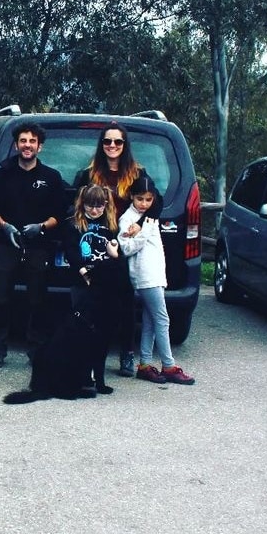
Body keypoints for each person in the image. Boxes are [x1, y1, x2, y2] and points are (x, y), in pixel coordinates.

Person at [73, 123, 160, 377]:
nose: (112, 146)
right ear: (101, 145)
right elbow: (75, 205)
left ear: (125, 145)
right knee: (90, 302)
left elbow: (157, 203)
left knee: (124, 304)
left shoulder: (137, 173)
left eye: (118, 142)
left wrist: (139, 224)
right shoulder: (88, 174)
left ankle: (126, 353)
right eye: (107, 142)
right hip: (96, 244)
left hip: (123, 247)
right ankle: (84, 353)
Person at [0, 123, 68, 368]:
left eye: (32, 141)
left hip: (38, 245)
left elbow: (59, 215)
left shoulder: (51, 177)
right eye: (23, 141)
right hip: (7, 243)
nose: (27, 145)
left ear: (39, 146)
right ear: (16, 144)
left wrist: (41, 227)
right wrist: (4, 226)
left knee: (37, 300)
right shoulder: (2, 174)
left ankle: (36, 349)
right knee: (0, 297)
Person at [117, 175, 195, 385]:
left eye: (148, 200)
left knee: (151, 321)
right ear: (132, 196)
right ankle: (168, 365)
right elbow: (125, 248)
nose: (144, 204)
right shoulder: (127, 219)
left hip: (156, 274)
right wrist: (143, 232)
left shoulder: (149, 216)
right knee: (162, 319)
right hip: (144, 276)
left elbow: (158, 202)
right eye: (140, 199)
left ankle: (144, 364)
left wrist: (145, 226)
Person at [62, 183, 124, 394]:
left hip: (104, 285)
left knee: (102, 333)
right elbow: (71, 251)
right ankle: (82, 373)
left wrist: (115, 253)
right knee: (81, 329)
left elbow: (117, 256)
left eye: (99, 206)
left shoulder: (111, 225)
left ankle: (99, 376)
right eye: (90, 205)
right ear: (83, 203)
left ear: (105, 205)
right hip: (82, 282)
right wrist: (84, 273)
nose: (94, 210)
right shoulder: (73, 224)